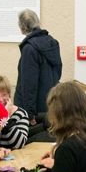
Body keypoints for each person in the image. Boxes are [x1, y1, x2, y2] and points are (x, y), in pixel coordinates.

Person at [14, 9, 62, 137]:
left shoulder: (29, 49)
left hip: (35, 113)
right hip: (50, 106)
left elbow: (29, 84)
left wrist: (29, 114)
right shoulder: (52, 43)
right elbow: (58, 71)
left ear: (22, 27)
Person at [0, 73, 30, 149]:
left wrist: (6, 117)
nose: (0, 100)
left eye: (4, 95)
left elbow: (19, 144)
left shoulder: (20, 114)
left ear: (9, 96)